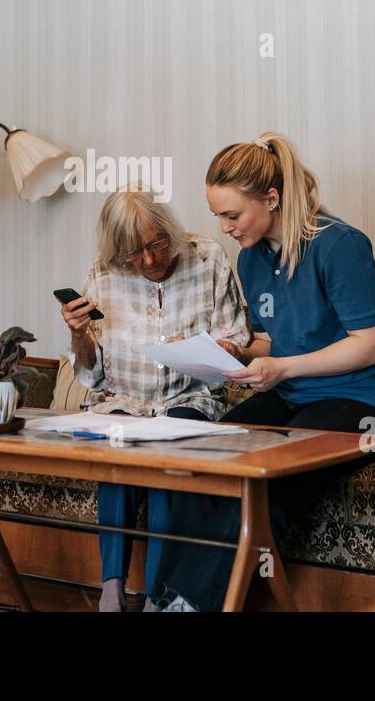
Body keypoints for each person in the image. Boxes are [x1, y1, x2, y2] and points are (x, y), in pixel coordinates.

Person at [152, 132, 375, 611]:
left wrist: (280, 368)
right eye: (218, 215)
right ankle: (166, 598)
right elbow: (267, 338)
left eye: (231, 215)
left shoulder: (339, 245)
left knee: (263, 477)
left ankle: (193, 604)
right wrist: (234, 351)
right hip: (293, 395)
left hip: (359, 403)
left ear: (272, 198)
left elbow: (370, 345)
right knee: (201, 458)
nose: (223, 227)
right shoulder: (252, 258)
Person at [60, 185, 250, 611]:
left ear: (169, 230)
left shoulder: (207, 258)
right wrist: (77, 335)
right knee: (117, 448)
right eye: (133, 253)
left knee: (169, 451)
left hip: (191, 397)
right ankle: (112, 588)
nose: (148, 260)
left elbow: (239, 338)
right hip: (124, 399)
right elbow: (92, 376)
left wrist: (202, 347)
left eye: (155, 244)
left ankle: (158, 595)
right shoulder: (102, 276)